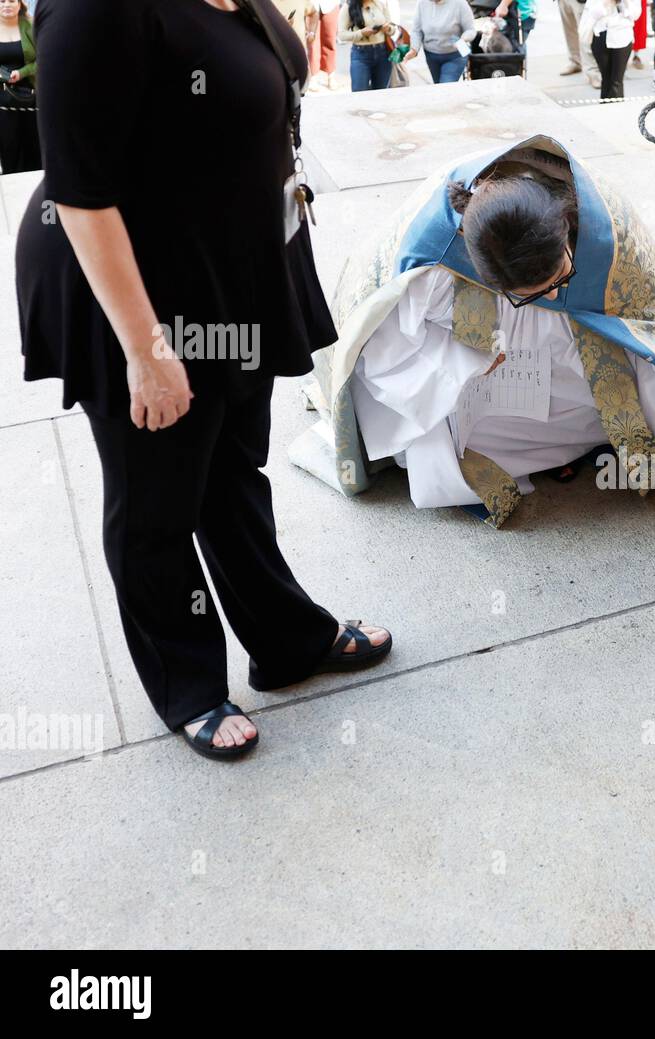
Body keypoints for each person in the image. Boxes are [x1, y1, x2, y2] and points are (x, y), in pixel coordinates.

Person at [17, 0, 393, 761]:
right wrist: (147, 349)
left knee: (231, 473)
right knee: (155, 497)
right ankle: (185, 682)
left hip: (233, 279)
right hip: (139, 298)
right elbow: (80, 193)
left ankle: (286, 638)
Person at [290, 136, 655, 527]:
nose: (551, 296)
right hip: (482, 361)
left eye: (558, 280)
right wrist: (466, 361)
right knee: (439, 434)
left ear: (566, 231)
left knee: (637, 394)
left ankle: (594, 432)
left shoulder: (604, 223)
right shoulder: (431, 261)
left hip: (578, 346)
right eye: (531, 292)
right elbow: (381, 354)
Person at [0, 0, 38, 174]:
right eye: (2, 1)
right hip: (2, 101)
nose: (6, 4)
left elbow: (44, 57)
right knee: (9, 147)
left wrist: (22, 73)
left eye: (11, 0)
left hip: (31, 96)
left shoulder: (31, 26)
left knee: (34, 145)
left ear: (20, 4)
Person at [580, 0, 639, 100]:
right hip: (601, 36)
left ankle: (616, 111)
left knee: (616, 81)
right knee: (606, 79)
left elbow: (636, 14)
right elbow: (593, 13)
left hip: (622, 37)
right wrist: (607, 2)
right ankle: (604, 109)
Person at [409, 0, 476, 84]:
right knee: (438, 86)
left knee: (445, 86)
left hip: (455, 55)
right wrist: (414, 49)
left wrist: (463, 39)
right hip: (431, 55)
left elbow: (471, 30)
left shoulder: (460, 3)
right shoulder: (422, 3)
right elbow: (416, 30)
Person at [341, 0, 398, 90]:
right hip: (361, 54)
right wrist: (361, 33)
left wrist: (388, 28)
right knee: (359, 94)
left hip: (383, 53)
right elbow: (342, 35)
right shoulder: (348, 6)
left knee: (381, 93)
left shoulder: (380, 4)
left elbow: (392, 28)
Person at [306, 0, 341, 91]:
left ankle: (331, 76)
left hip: (330, 4)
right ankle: (313, 77)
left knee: (330, 38)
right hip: (311, 4)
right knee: (312, 42)